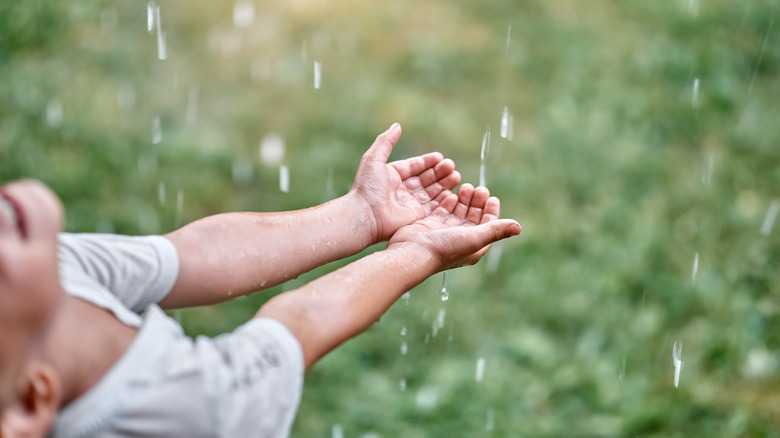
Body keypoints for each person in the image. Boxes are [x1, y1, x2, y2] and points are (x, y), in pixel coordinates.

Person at [0, 123, 521, 437]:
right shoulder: (187, 412)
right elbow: (300, 324)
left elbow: (200, 254)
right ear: (31, 401)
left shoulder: (49, 271)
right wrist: (416, 252)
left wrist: (359, 215)